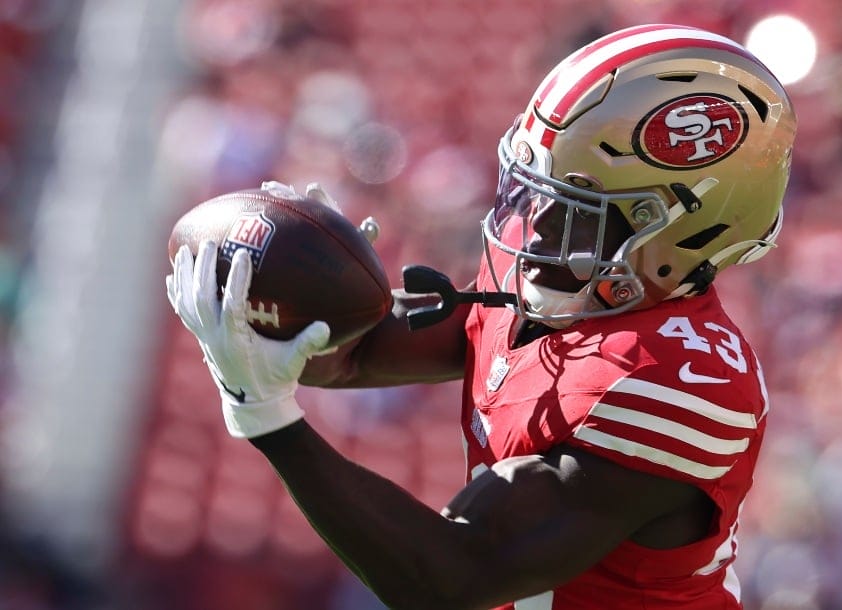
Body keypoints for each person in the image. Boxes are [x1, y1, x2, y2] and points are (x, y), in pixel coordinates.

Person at [166, 24, 797, 610]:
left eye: (580, 210)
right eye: (536, 191)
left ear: (684, 229)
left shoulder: (679, 377)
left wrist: (265, 416)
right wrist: (301, 287)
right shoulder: (555, 279)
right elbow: (349, 354)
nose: (537, 226)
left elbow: (456, 576)